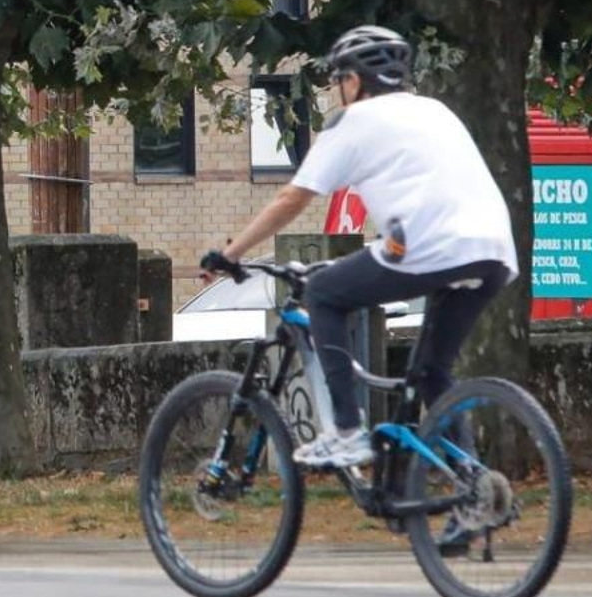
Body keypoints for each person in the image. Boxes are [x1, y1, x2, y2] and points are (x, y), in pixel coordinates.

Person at [207, 25, 518, 470]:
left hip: (424, 247)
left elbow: (292, 198)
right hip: (492, 252)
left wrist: (231, 252)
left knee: (323, 293)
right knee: (432, 373)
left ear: (353, 81)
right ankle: (474, 486)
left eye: (337, 81)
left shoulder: (353, 122)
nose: (337, 92)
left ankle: (347, 432)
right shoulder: (435, 110)